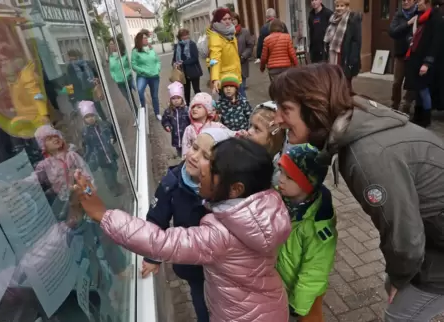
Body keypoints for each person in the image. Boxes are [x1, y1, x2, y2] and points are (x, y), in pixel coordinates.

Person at [270, 63, 444, 321]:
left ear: (315, 107)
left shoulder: (366, 158)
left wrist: (398, 277)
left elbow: (404, 238)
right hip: (434, 233)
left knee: (400, 314)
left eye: (286, 109)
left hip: (434, 239)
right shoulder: (358, 118)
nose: (277, 119)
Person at [73, 138, 292, 322]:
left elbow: (162, 242)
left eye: (212, 166)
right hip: (268, 305)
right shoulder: (262, 209)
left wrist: (103, 215)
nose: (202, 169)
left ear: (235, 189)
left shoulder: (222, 235)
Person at [141, 128, 233, 322]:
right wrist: (152, 256)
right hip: (192, 265)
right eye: (194, 147)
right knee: (200, 300)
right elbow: (157, 220)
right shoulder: (172, 183)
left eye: (205, 155)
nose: (194, 156)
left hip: (220, 267)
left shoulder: (224, 190)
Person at [276, 144, 336, 322]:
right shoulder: (279, 198)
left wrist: (298, 306)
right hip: (280, 285)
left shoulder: (318, 225)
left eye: (290, 177)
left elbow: (315, 270)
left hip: (302, 294)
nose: (281, 180)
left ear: (307, 183)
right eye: (280, 172)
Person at [404, 0, 442, 128]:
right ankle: (417, 117)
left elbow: (435, 43)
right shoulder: (421, 17)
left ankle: (426, 118)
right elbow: (415, 36)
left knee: (424, 90)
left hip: (425, 60)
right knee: (418, 89)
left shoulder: (435, 18)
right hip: (415, 58)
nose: (417, 3)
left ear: (428, 2)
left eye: (419, 0)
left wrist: (427, 63)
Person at [79, 101, 122, 196]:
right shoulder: (85, 133)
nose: (90, 119)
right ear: (84, 119)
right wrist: (87, 157)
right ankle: (113, 189)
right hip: (100, 157)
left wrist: (112, 138)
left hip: (110, 153)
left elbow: (112, 133)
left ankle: (116, 183)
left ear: (95, 115)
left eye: (91, 116)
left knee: (115, 169)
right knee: (107, 175)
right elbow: (86, 146)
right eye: (87, 117)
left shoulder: (104, 125)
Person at [323, 0, 362, 92]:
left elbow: (356, 41)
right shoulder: (332, 18)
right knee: (334, 80)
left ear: (347, 6)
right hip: (333, 54)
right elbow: (328, 38)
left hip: (345, 56)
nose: (339, 8)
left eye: (342, 6)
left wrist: (353, 59)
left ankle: (347, 102)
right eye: (337, 6)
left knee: (346, 82)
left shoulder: (353, 19)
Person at [388, 0, 417, 112]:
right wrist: (408, 23)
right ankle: (395, 103)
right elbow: (392, 31)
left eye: (408, 0)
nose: (405, 2)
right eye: (403, 0)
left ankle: (407, 104)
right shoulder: (399, 14)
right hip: (400, 53)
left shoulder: (418, 13)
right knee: (396, 82)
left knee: (411, 82)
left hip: (414, 54)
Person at [206, 7, 241, 94]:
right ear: (218, 21)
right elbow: (214, 59)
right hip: (225, 79)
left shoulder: (230, 32)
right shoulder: (215, 37)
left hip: (236, 74)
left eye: (229, 19)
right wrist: (215, 79)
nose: (228, 21)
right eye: (224, 19)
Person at [181, 92, 228, 157]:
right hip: (195, 160)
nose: (194, 109)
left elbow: (229, 134)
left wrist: (240, 133)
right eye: (193, 107)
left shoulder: (216, 126)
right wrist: (185, 160)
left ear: (207, 111)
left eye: (199, 107)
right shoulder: (189, 129)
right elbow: (185, 146)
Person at [66, 49, 106, 120]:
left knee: (87, 110)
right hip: (92, 88)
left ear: (69, 57)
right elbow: (96, 74)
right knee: (97, 107)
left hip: (81, 92)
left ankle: (95, 125)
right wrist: (97, 83)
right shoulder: (87, 63)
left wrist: (71, 96)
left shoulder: (70, 67)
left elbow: (69, 82)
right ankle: (104, 121)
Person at [132, 30, 162, 120]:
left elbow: (157, 60)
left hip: (154, 76)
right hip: (143, 76)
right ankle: (143, 111)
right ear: (139, 40)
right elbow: (133, 65)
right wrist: (143, 71)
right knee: (140, 91)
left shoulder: (151, 49)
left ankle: (157, 113)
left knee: (155, 95)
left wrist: (158, 68)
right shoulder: (135, 51)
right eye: (144, 38)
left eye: (146, 38)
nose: (146, 40)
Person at [172, 29, 203, 104]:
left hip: (193, 71)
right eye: (183, 35)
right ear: (180, 37)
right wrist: (174, 63)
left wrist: (183, 63)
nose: (185, 37)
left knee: (196, 89)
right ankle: (188, 105)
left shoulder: (192, 44)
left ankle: (200, 103)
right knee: (186, 91)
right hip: (183, 72)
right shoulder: (177, 46)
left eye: (186, 35)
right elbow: (174, 59)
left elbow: (195, 58)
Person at [161, 82, 191, 157]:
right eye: (173, 98)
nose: (176, 100)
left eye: (178, 98)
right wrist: (167, 125)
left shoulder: (187, 110)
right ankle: (181, 161)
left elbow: (192, 120)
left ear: (182, 98)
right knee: (180, 154)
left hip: (187, 138)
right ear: (170, 100)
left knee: (189, 153)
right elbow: (165, 120)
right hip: (176, 138)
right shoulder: (168, 111)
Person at [232, 12, 255, 98]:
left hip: (242, 63)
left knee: (241, 88)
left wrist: (243, 56)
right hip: (231, 66)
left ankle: (244, 107)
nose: (233, 21)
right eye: (231, 20)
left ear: (238, 20)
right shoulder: (226, 34)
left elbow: (250, 46)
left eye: (234, 19)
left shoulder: (244, 32)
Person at [108, 37, 136, 108]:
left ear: (118, 44)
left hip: (129, 79)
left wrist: (129, 73)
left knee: (139, 91)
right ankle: (136, 114)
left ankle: (144, 107)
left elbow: (132, 64)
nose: (111, 46)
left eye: (112, 44)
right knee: (129, 99)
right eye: (110, 44)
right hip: (120, 83)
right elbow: (112, 70)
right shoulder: (111, 57)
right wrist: (114, 77)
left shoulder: (126, 53)